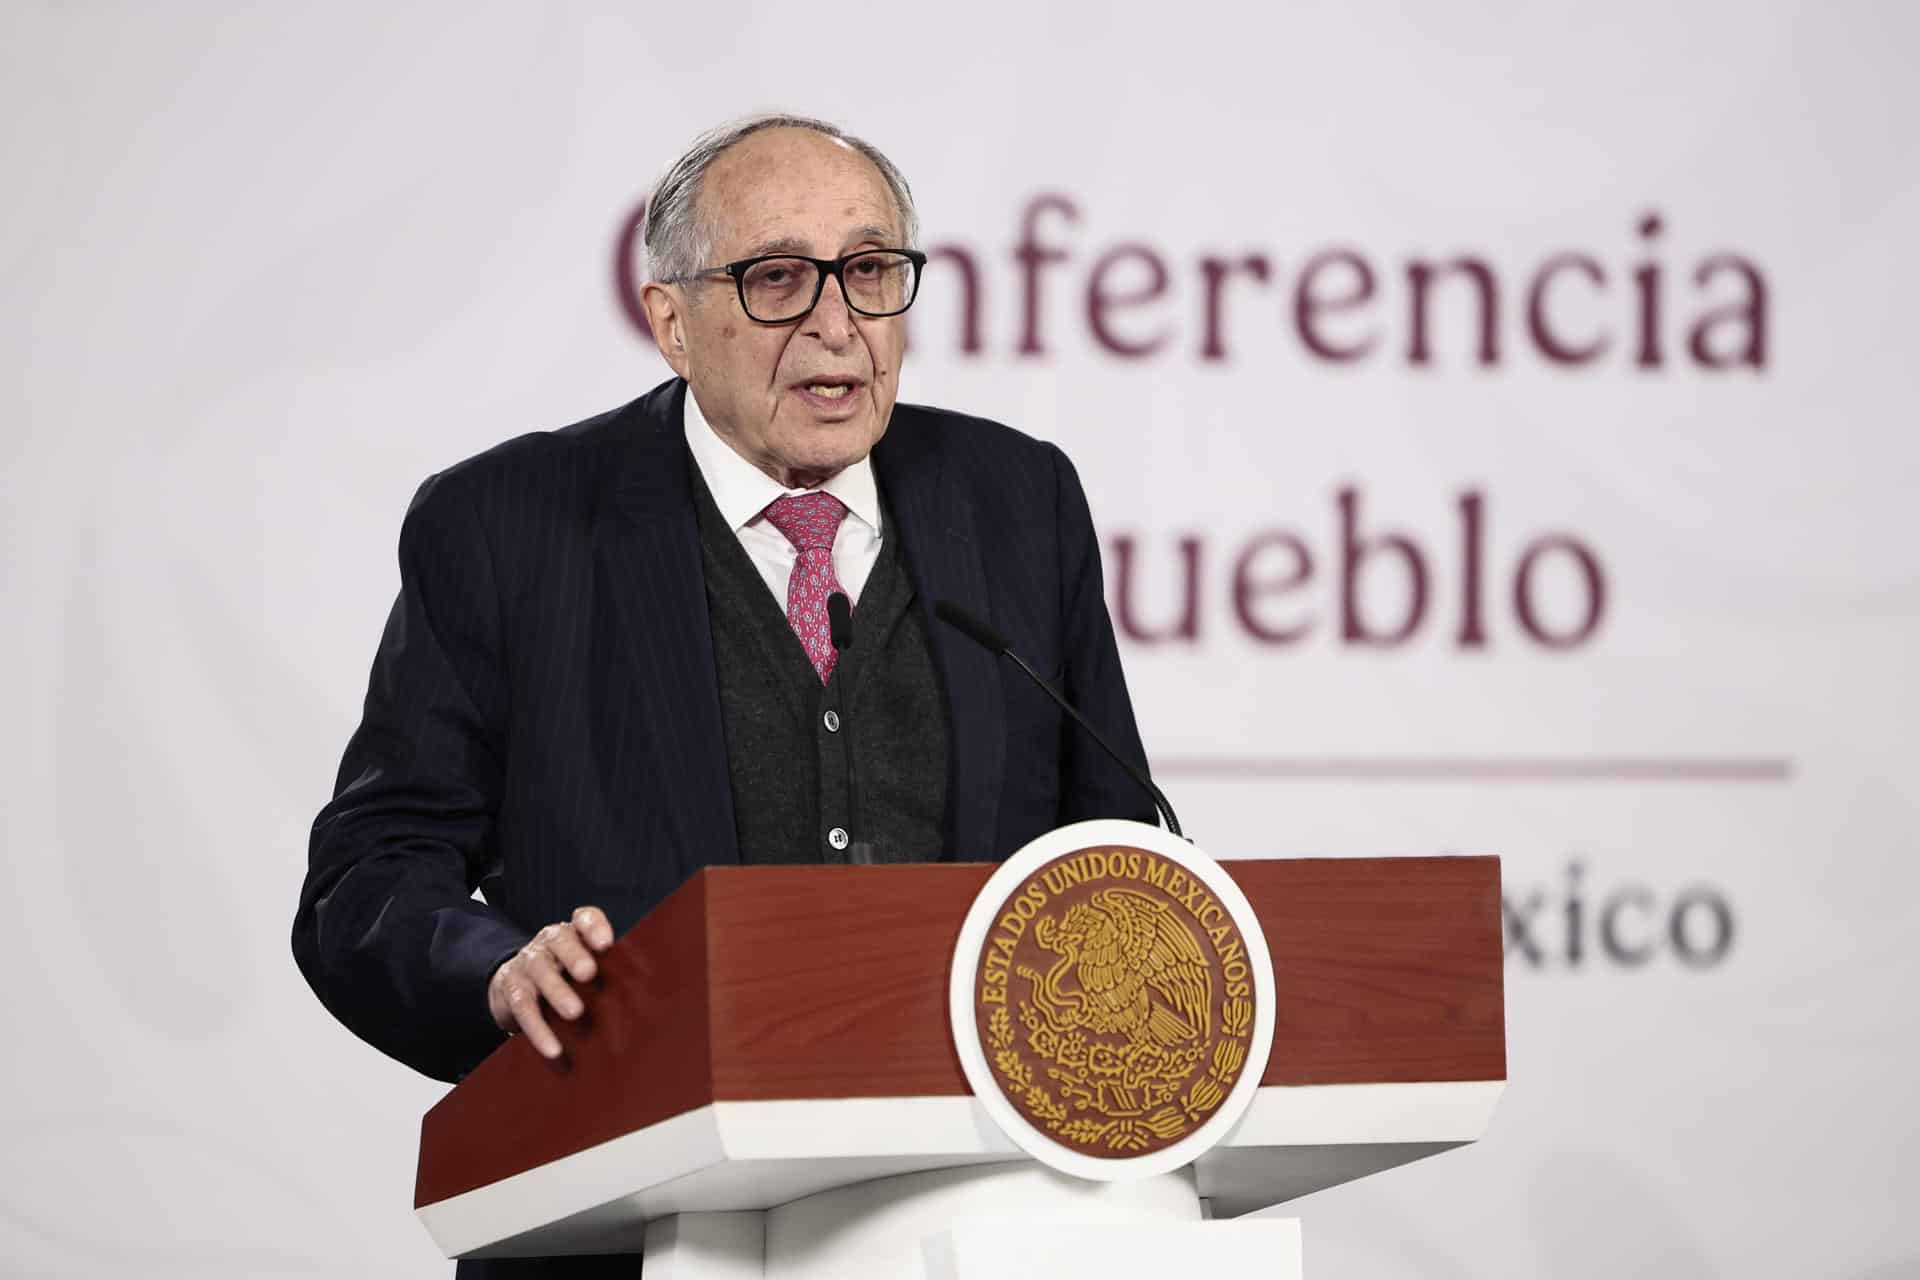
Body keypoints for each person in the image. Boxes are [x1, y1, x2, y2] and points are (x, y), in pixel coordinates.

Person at [291, 113, 1153, 1277]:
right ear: (671, 322)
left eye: (871, 270)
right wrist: (497, 967)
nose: (838, 323)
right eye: (778, 278)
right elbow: (369, 877)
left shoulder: (1017, 499)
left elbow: (1111, 846)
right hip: (630, 1219)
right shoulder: (509, 525)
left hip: (979, 1213)